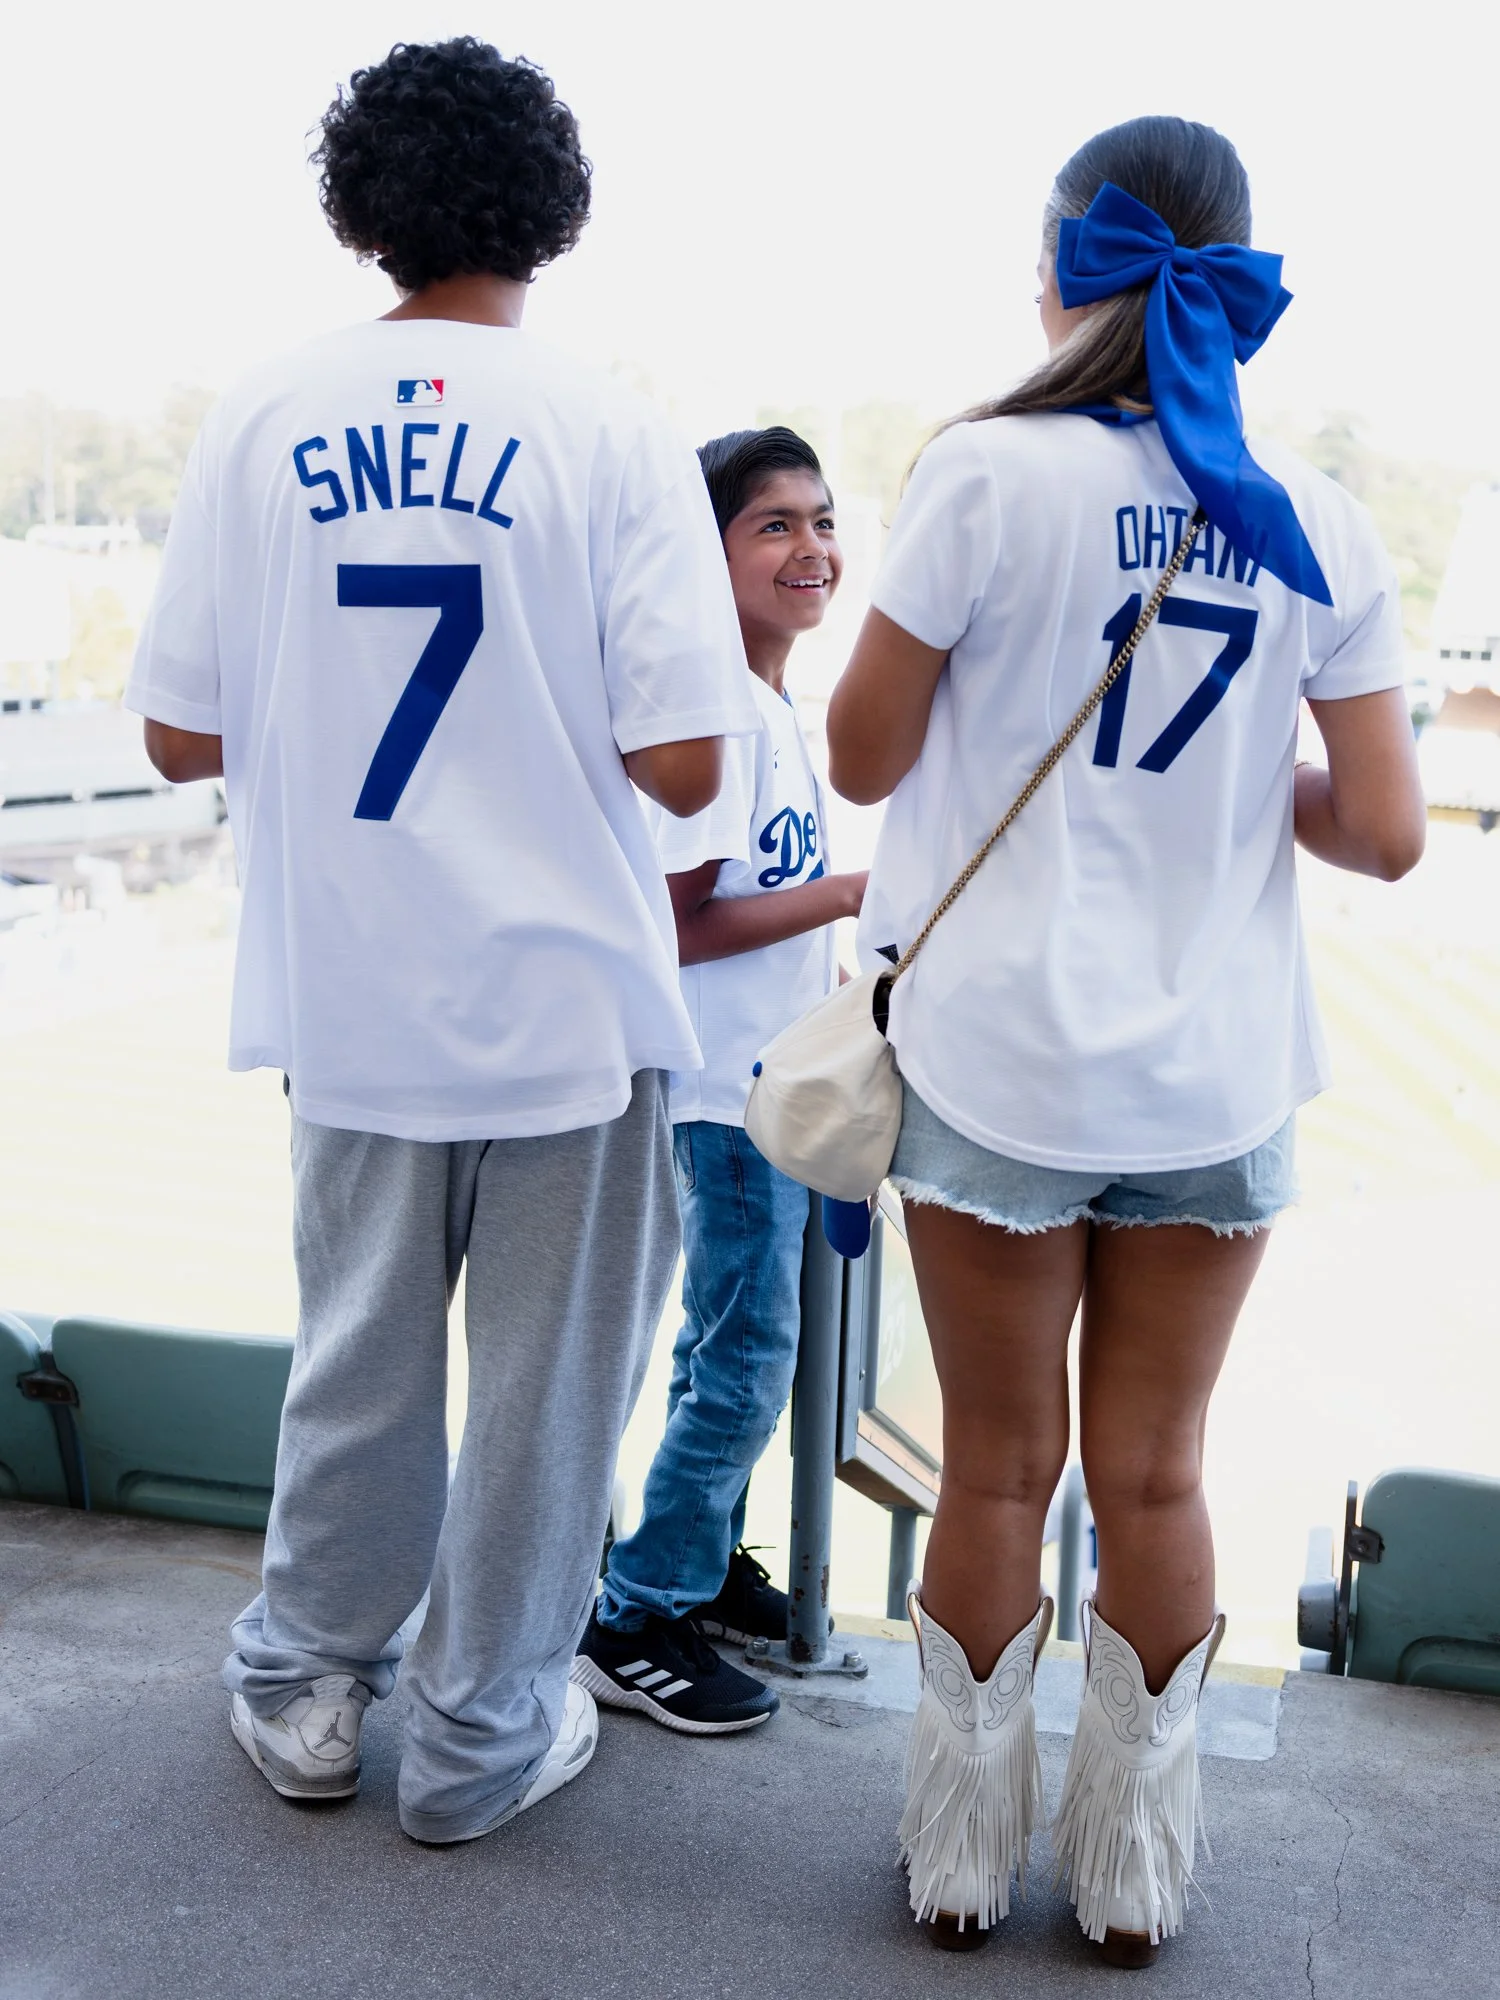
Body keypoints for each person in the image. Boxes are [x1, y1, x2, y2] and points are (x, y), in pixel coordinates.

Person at [125, 37, 759, 1845]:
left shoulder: (262, 411)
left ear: (362, 211)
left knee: (360, 1361)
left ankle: (305, 1688)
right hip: (570, 1004)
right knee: (551, 1396)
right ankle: (483, 1737)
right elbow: (687, 762)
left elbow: (175, 733)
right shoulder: (612, 424)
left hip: (349, 986)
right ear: (551, 209)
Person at [826, 117, 1425, 1959]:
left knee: (996, 1465)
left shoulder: (983, 470)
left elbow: (860, 755)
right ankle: (1132, 1885)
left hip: (998, 1061)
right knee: (1158, 1471)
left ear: (1061, 270)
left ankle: (956, 1867)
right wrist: (1248, 784)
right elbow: (1386, 829)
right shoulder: (1319, 514)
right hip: (1215, 1071)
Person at [573, 428, 867, 1732]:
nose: (812, 547)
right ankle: (637, 1614)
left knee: (727, 1346)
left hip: (776, 1086)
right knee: (747, 1357)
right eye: (774, 525)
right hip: (727, 1095)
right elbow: (678, 925)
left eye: (823, 519)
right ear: (710, 554)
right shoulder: (721, 711)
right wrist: (848, 893)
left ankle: (700, 1563)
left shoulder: (772, 702)